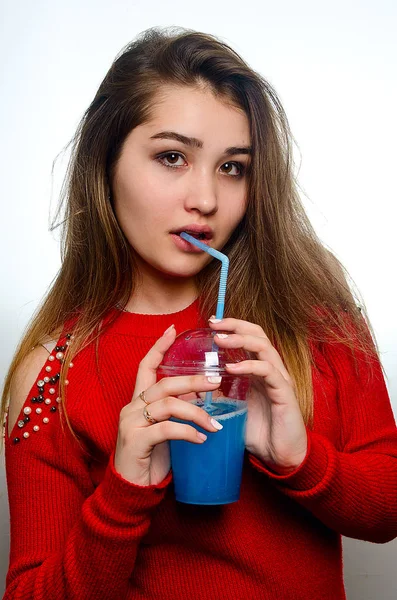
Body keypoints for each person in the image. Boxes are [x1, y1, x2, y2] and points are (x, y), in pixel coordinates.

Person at [1, 25, 397, 600]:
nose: (206, 200)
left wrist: (300, 457)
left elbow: (388, 510)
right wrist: (124, 492)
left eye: (232, 167)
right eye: (172, 157)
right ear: (105, 163)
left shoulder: (309, 306)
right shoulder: (50, 375)